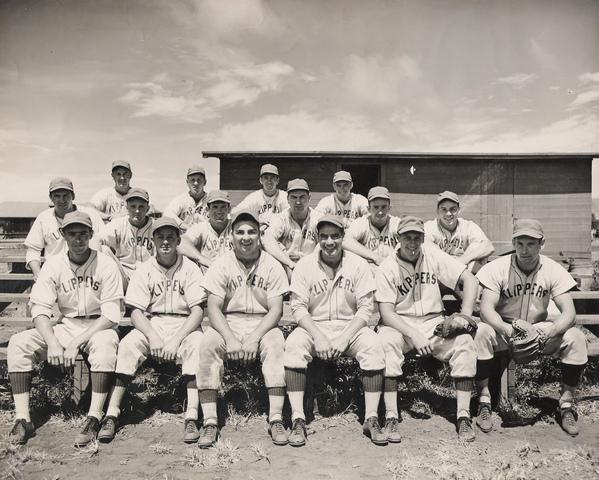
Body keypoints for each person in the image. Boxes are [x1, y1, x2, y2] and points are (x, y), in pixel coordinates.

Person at [8, 211, 123, 446]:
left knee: (105, 347)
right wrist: (52, 342)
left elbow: (112, 314)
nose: (78, 239)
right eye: (72, 234)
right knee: (19, 343)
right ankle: (23, 418)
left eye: (83, 234)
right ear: (63, 235)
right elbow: (39, 309)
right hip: (66, 324)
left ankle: (94, 416)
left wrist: (75, 343)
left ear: (91, 234)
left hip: (98, 325)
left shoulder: (106, 263)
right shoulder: (53, 264)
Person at [474, 219, 588, 436]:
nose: (524, 250)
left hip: (540, 330)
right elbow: (486, 309)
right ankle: (483, 401)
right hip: (505, 327)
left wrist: (549, 332)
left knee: (576, 338)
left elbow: (569, 314)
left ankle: (566, 405)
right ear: (514, 243)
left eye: (530, 244)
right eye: (520, 243)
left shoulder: (553, 269)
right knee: (481, 332)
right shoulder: (497, 267)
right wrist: (505, 330)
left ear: (541, 244)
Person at [97, 217, 206, 444]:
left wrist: (176, 340)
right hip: (152, 322)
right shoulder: (144, 268)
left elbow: (197, 311)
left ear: (178, 241)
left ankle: (192, 415)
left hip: (184, 324)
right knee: (127, 345)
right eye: (160, 237)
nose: (165, 242)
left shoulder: (191, 268)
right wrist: (153, 336)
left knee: (197, 346)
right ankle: (112, 413)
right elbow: (135, 311)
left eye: (170, 237)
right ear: (153, 241)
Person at [284, 214, 386, 447]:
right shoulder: (304, 265)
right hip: (314, 325)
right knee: (293, 345)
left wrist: (344, 337)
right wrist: (318, 336)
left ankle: (371, 417)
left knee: (373, 345)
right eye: (324, 237)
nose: (329, 242)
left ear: (343, 237)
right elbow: (298, 308)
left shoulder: (358, 264)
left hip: (350, 326)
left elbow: (366, 309)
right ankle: (298, 418)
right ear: (318, 238)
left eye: (335, 236)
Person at [376, 216, 479, 442]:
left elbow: (470, 280)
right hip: (400, 324)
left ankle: (463, 415)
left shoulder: (433, 255)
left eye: (416, 237)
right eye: (407, 237)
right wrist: (413, 334)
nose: (412, 243)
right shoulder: (387, 266)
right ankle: (391, 416)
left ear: (423, 238)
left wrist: (464, 316)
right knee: (386, 343)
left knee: (464, 343)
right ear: (398, 238)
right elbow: (386, 313)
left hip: (433, 323)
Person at [196, 210, 288, 447]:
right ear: (231, 237)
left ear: (259, 235)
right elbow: (213, 308)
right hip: (228, 321)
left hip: (263, 322)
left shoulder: (272, 264)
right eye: (240, 232)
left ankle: (276, 417)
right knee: (207, 344)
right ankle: (209, 421)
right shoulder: (221, 264)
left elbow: (276, 310)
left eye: (251, 231)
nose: (245, 237)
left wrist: (254, 338)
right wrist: (231, 339)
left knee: (276, 343)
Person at [25, 177, 105, 281]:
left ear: (73, 196)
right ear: (51, 197)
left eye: (66, 195)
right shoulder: (44, 218)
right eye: (57, 196)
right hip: (55, 272)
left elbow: (103, 242)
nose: (62, 200)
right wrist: (37, 273)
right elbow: (33, 250)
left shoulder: (90, 215)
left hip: (88, 271)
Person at [262, 179, 322, 278]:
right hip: (286, 266)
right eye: (294, 197)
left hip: (313, 266)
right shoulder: (281, 218)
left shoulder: (317, 218)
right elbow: (267, 240)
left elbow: (325, 242)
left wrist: (310, 263)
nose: (298, 202)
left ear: (309, 198)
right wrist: (290, 264)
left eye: (302, 197)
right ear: (288, 199)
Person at [424, 191, 494, 273]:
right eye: (444, 209)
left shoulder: (468, 226)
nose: (448, 213)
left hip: (463, 270)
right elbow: (428, 252)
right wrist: (455, 263)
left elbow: (489, 247)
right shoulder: (430, 227)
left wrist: (463, 260)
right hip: (440, 271)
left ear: (459, 210)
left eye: (453, 209)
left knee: (476, 246)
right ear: (437, 211)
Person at [99, 187, 154, 289]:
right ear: (126, 207)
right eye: (133, 206)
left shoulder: (156, 227)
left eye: (141, 207)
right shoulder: (118, 224)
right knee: (103, 249)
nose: (137, 210)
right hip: (123, 276)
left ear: (148, 208)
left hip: (149, 278)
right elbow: (96, 240)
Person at [343, 186, 401, 272]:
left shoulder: (396, 223)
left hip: (392, 272)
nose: (380, 212)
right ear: (368, 208)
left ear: (389, 208)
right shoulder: (362, 222)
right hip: (367, 274)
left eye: (384, 207)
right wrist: (376, 258)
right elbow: (345, 241)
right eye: (376, 207)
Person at [178, 190, 233, 273]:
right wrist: (204, 260)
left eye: (223, 207)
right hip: (207, 278)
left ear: (229, 209)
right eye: (215, 207)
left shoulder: (236, 227)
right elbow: (180, 243)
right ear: (207, 209)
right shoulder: (201, 227)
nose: (219, 211)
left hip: (231, 277)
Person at [232, 164, 289, 232]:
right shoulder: (254, 197)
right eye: (266, 178)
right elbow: (234, 212)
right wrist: (256, 220)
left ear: (277, 180)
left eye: (272, 178)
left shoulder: (285, 196)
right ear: (261, 180)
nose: (269, 181)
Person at [163, 165, 209, 232]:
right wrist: (185, 226)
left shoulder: (210, 200)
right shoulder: (181, 200)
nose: (196, 183)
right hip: (185, 237)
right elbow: (167, 214)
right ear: (187, 182)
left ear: (205, 182)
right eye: (192, 180)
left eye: (199, 180)